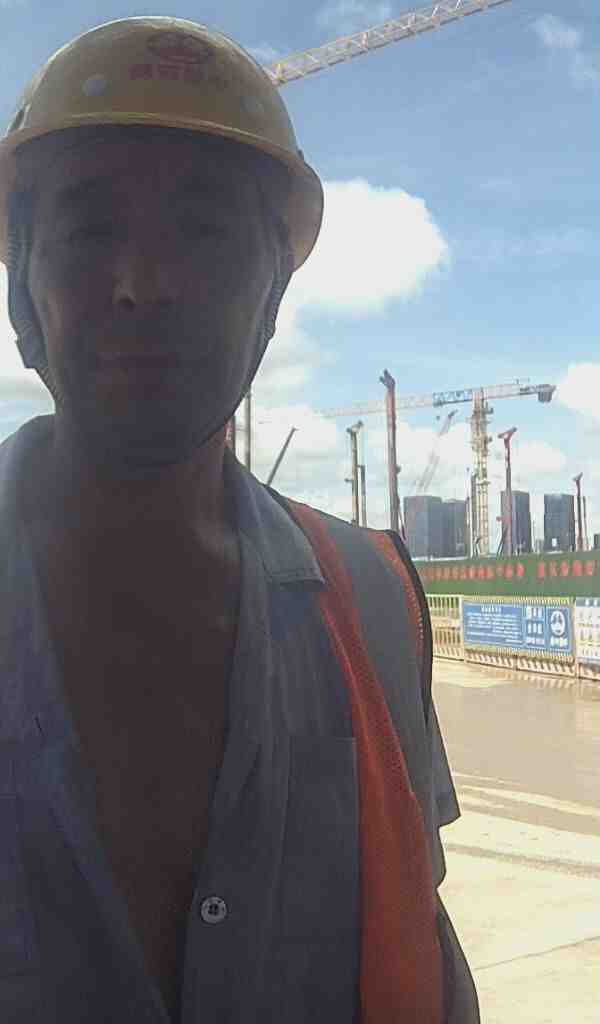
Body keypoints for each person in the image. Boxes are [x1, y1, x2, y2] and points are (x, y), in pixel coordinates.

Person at [0, 17, 479, 1024]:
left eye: (204, 229)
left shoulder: (376, 604)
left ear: (273, 290)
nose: (143, 284)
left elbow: (419, 947)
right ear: (22, 285)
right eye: (89, 227)